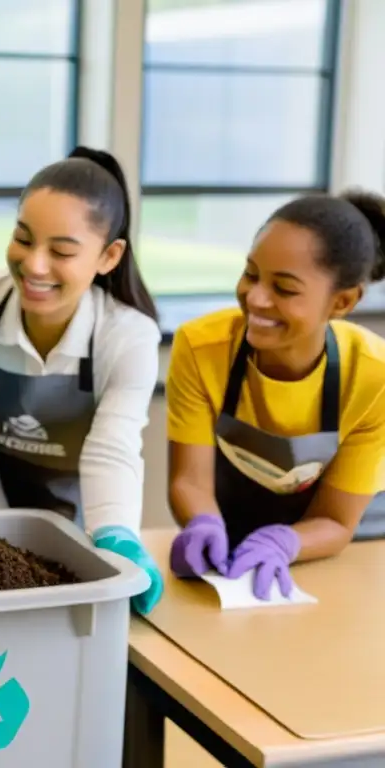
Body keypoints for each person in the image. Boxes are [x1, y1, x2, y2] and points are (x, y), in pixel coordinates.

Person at [0, 147, 164, 615]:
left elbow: (112, 448)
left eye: (62, 251)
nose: (35, 265)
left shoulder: (127, 336)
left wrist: (115, 541)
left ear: (109, 256)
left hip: (85, 516)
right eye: (23, 240)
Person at [166, 190, 385, 600]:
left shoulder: (374, 378)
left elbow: (337, 522)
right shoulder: (200, 347)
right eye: (251, 274)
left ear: (343, 301)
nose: (255, 298)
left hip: (332, 561)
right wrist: (202, 523)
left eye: (283, 289)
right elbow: (188, 480)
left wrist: (285, 543)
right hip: (233, 555)